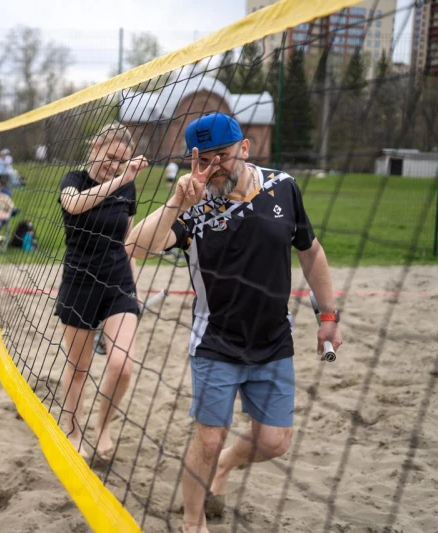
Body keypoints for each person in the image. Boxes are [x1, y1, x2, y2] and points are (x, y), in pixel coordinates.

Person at [126, 112, 343, 533]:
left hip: (273, 339)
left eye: (221, 156)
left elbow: (310, 251)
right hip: (216, 341)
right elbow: (134, 247)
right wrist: (176, 202)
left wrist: (328, 316)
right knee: (209, 437)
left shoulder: (283, 187)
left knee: (275, 441)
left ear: (245, 148)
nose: (214, 168)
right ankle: (193, 523)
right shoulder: (194, 205)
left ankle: (224, 466)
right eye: (202, 160)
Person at [56, 123, 148, 463]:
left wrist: (135, 288)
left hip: (118, 282)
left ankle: (103, 428)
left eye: (122, 161)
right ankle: (73, 430)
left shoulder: (127, 187)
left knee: (123, 366)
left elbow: (127, 242)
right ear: (94, 149)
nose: (115, 165)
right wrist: (122, 178)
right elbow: (74, 205)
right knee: (79, 368)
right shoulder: (73, 180)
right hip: (79, 283)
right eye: (110, 157)